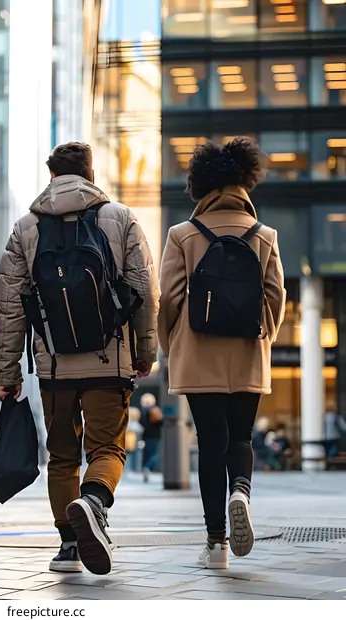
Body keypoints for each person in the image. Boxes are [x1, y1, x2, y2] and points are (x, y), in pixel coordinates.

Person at [0, 142, 160, 575]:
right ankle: (92, 501)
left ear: (51, 177)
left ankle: (69, 545)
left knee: (62, 456)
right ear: (90, 175)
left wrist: (6, 372)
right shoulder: (120, 218)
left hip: (52, 364)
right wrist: (145, 352)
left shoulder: (25, 227)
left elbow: (10, 306)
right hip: (109, 359)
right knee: (107, 447)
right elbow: (143, 291)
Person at [158, 138, 286, 570]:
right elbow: (275, 297)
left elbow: (169, 299)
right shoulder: (264, 235)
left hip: (199, 355)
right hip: (248, 353)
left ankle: (216, 546)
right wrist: (263, 337)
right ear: (244, 183)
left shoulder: (181, 235)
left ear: (202, 185)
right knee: (242, 437)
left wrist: (169, 346)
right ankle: (241, 491)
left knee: (211, 444)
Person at [139, 393, 163, 482]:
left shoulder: (141, 411)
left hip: (145, 435)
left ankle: (145, 468)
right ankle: (147, 467)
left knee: (147, 454)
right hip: (155, 436)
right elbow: (161, 422)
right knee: (155, 455)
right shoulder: (155, 411)